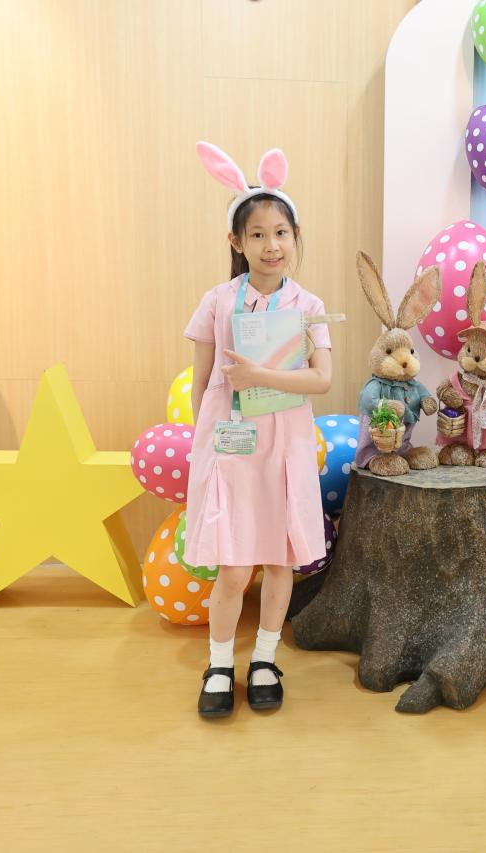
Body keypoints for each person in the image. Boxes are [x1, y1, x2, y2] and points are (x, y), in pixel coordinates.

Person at [182, 143, 332, 717]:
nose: (272, 245)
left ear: (296, 236)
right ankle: (220, 664)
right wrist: (209, 446)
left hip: (285, 447)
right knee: (233, 566)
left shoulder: (309, 305)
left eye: (281, 233)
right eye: (258, 235)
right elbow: (201, 385)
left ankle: (265, 659)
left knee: (278, 560)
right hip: (233, 447)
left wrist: (260, 376)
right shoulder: (218, 301)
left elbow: (322, 379)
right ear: (236, 242)